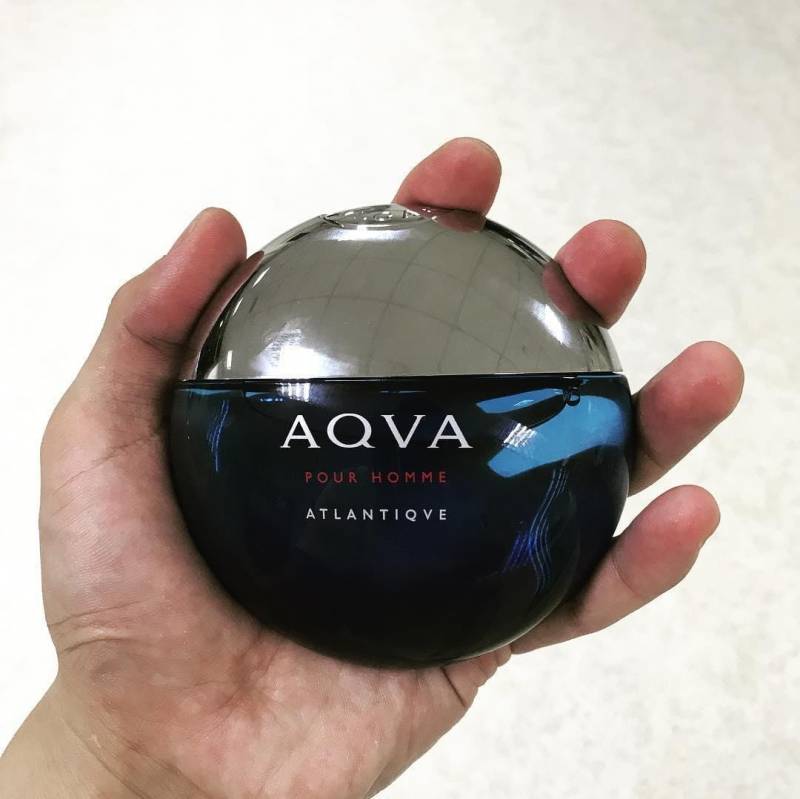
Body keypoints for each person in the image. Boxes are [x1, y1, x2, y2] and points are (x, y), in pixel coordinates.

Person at [0, 138, 744, 798]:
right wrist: (124, 763)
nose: (388, 437)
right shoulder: (230, 406)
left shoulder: (564, 399)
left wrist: (125, 771)